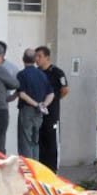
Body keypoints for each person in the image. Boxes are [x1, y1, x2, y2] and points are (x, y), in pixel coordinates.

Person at [35, 45, 69, 173]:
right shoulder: (36, 72)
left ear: (47, 57)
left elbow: (65, 90)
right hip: (38, 113)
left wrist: (54, 101)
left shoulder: (57, 72)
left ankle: (53, 169)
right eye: (36, 56)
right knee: (40, 141)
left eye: (39, 56)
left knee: (52, 141)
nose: (37, 59)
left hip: (52, 113)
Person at [15, 48, 54, 160]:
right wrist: (43, 105)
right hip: (39, 113)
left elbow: (22, 94)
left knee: (25, 142)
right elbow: (51, 94)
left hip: (27, 111)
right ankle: (35, 168)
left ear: (23, 59)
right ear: (35, 59)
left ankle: (27, 170)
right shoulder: (42, 75)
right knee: (35, 141)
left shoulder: (21, 75)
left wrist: (36, 104)